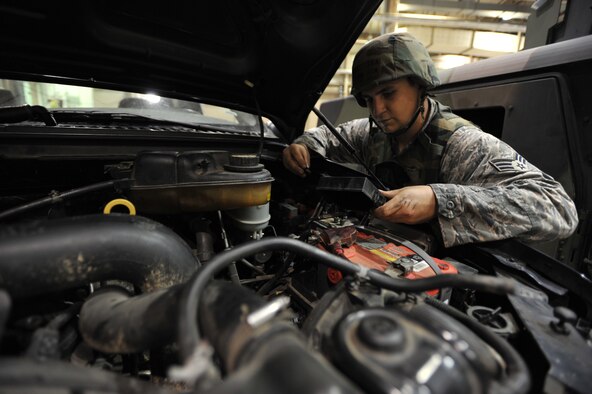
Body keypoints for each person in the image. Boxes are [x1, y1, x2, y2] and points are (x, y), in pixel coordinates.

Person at [282, 32, 578, 248]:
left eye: (388, 94)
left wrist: (439, 200)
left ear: (420, 86)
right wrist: (303, 145)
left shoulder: (462, 144)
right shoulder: (373, 132)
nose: (378, 110)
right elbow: (326, 137)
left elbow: (558, 208)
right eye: (369, 100)